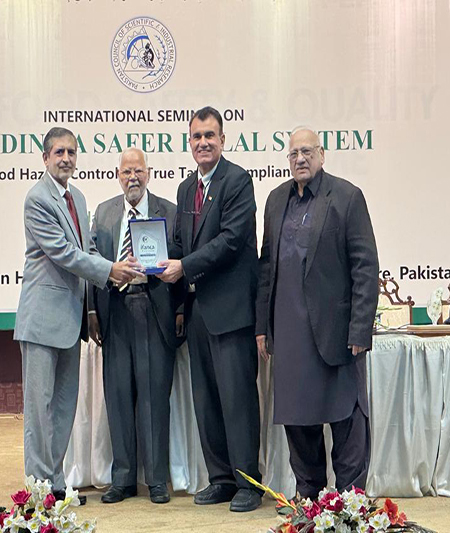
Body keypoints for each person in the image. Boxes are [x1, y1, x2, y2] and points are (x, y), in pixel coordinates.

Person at [14, 127, 142, 504]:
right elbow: (64, 253)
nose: (66, 158)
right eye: (59, 152)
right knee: (39, 412)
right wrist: (110, 270)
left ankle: (55, 483)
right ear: (45, 158)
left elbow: (86, 248)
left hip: (71, 322)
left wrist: (116, 267)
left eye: (71, 152)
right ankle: (38, 491)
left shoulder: (77, 196)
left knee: (63, 409)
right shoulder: (37, 198)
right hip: (41, 321)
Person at [256, 127, 379, 500]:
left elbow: (365, 267)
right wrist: (262, 326)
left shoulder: (346, 197)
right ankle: (308, 496)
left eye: (307, 152)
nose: (300, 159)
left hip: (336, 333)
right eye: (294, 154)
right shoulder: (276, 200)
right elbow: (266, 267)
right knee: (298, 419)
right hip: (289, 334)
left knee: (346, 417)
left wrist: (360, 329)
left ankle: (350, 499)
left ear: (322, 155)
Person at [157, 106, 263, 512]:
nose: (203, 143)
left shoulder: (238, 180)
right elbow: (181, 243)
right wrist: (155, 259)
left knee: (238, 400)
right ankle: (221, 479)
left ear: (223, 140)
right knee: (206, 400)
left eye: (210, 136)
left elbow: (232, 240)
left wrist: (184, 265)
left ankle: (248, 483)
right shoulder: (187, 189)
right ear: (189, 142)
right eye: (197, 136)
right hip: (199, 309)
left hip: (232, 311)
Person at [88, 148, 184, 504]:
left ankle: (156, 480)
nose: (133, 177)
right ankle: (123, 479)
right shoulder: (104, 212)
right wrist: (92, 311)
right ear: (118, 175)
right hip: (115, 310)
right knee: (118, 397)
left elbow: (182, 263)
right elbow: (92, 264)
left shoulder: (169, 211)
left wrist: (181, 310)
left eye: (138, 171)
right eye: (126, 172)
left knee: (154, 397)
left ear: (149, 173)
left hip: (155, 309)